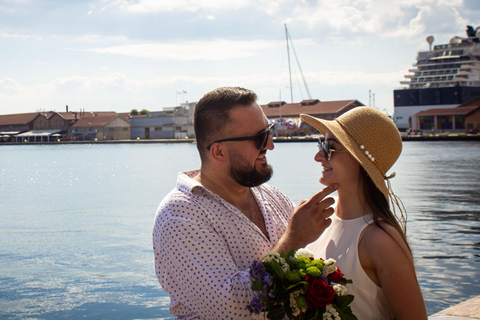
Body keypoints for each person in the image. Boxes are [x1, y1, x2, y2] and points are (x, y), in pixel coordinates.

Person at [153, 87, 336, 319]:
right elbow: (233, 309)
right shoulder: (180, 215)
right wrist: (293, 239)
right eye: (259, 138)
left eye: (268, 131)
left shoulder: (272, 196)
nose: (270, 145)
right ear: (218, 152)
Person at [301, 107, 428, 320]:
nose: (318, 156)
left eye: (329, 147)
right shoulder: (319, 222)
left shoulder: (380, 239)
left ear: (360, 159)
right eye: (320, 144)